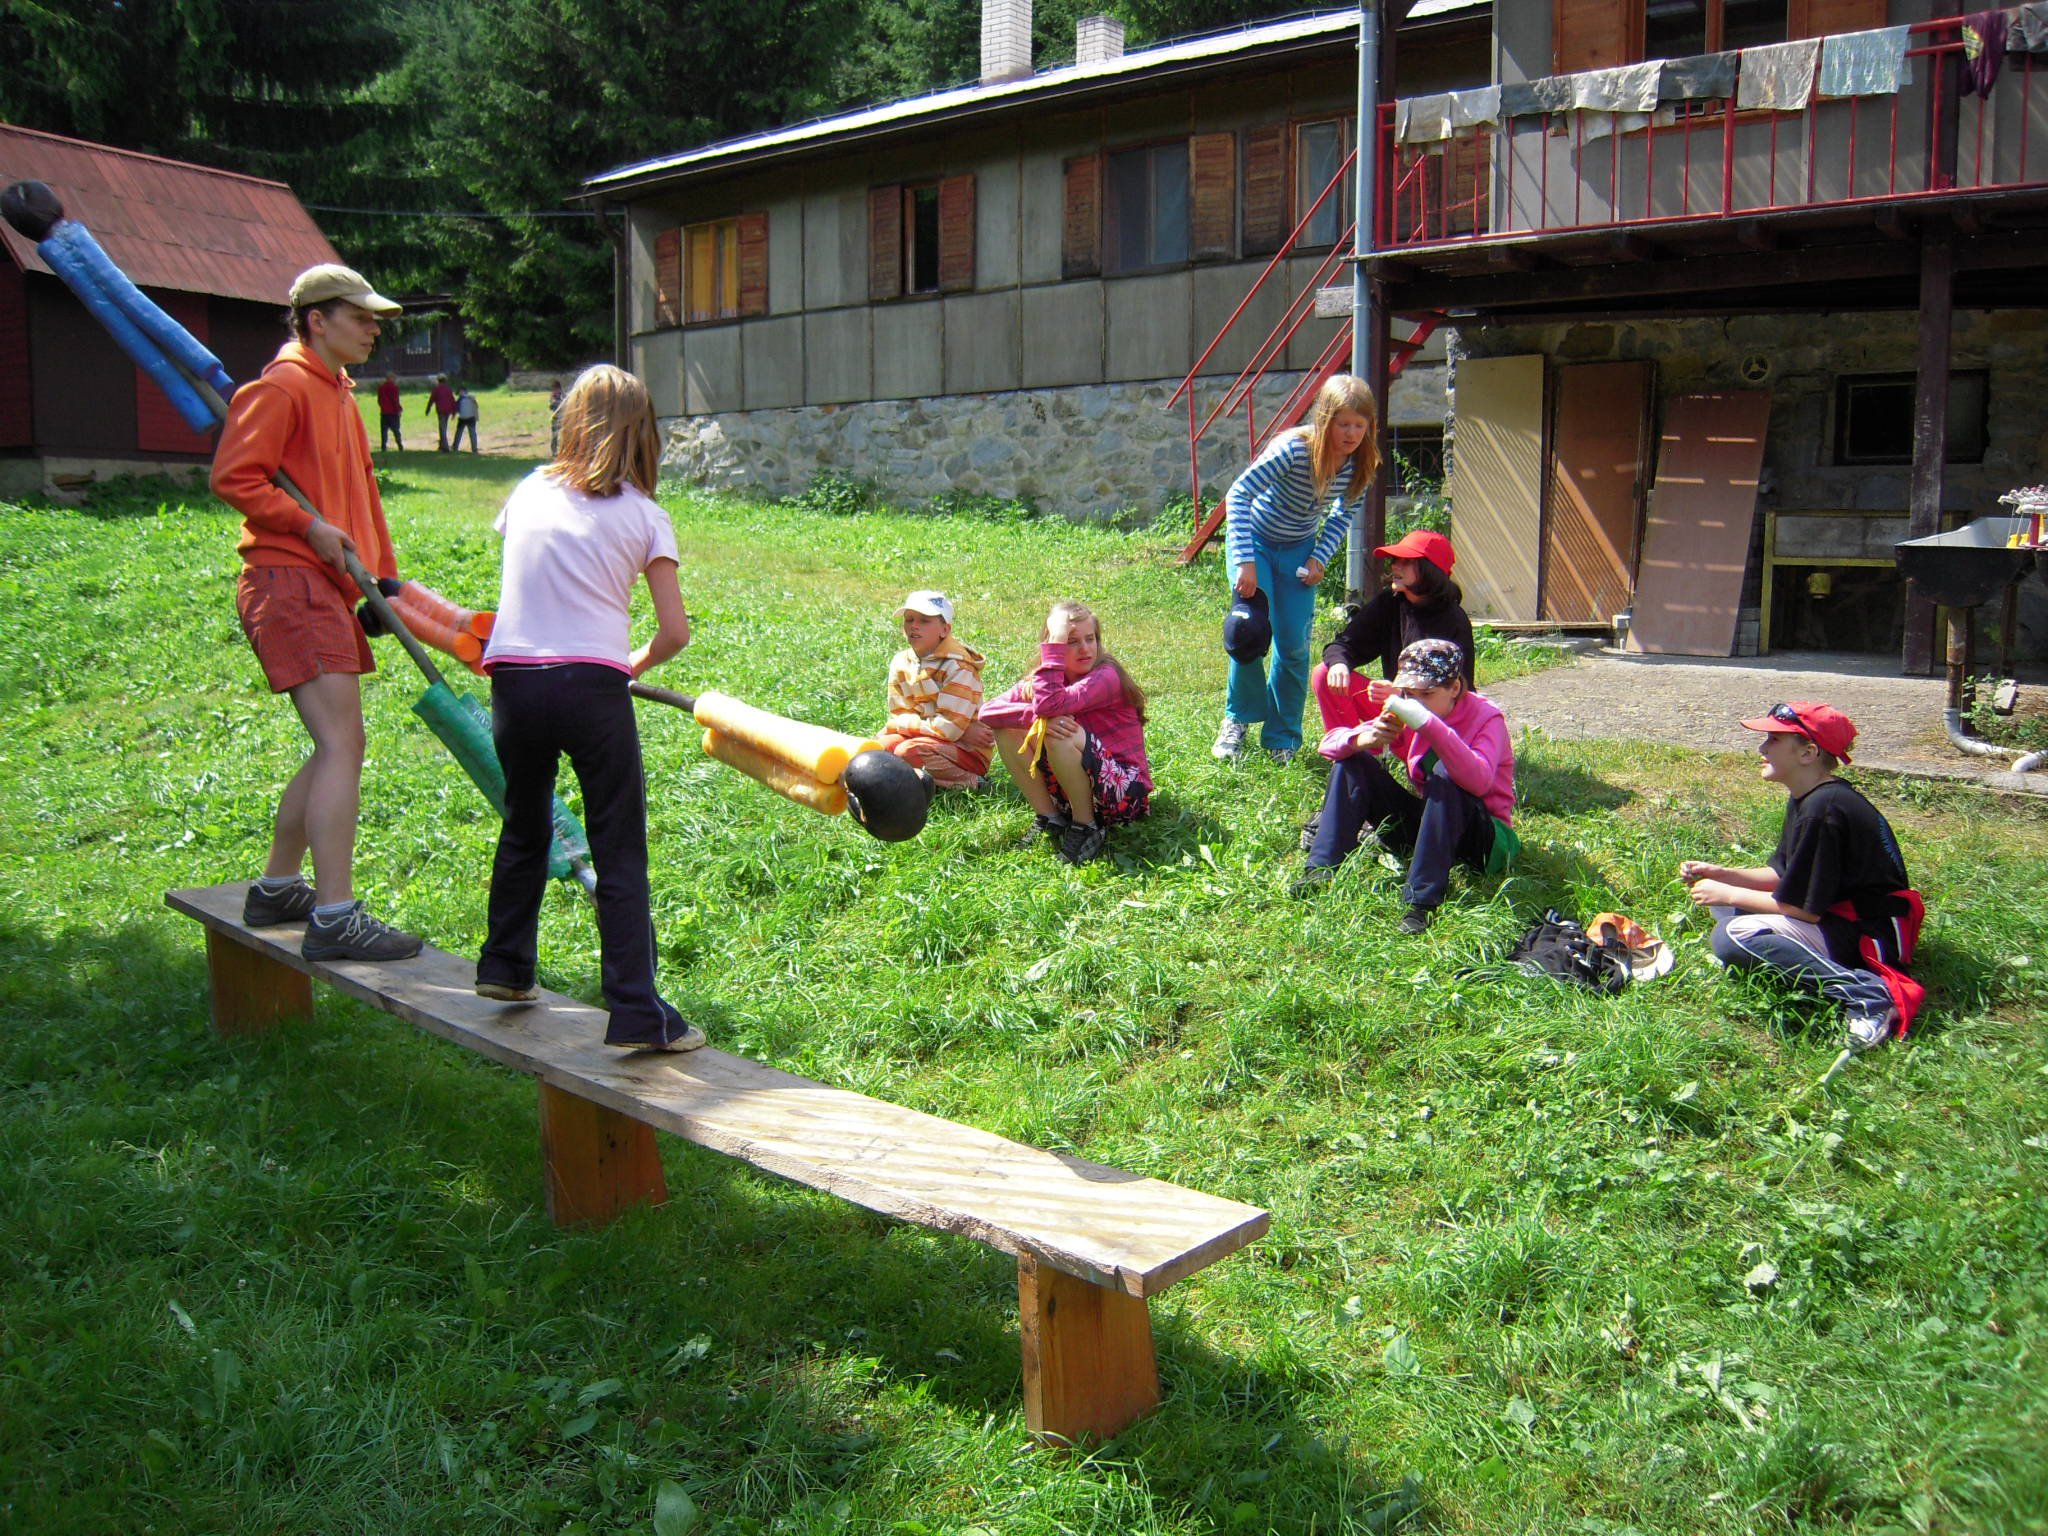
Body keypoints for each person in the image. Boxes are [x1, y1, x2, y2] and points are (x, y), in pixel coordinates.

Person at [474, 365, 703, 1052]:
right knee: (618, 845)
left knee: (524, 822)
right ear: (644, 434)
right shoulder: (644, 514)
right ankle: (635, 1011)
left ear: (570, 421)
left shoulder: (528, 491)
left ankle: (505, 965)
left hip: (514, 681)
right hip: (592, 688)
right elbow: (674, 632)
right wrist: (632, 663)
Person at [210, 262, 422, 962]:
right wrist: (306, 527)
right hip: (288, 579)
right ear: (316, 320)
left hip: (326, 585)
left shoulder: (339, 393)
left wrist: (381, 583)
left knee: (338, 744)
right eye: (360, 317)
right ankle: (333, 916)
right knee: (342, 744)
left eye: (374, 320)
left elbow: (361, 497)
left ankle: (278, 888)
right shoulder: (282, 387)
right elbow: (234, 476)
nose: (372, 329)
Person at [1680, 702, 1924, 1054]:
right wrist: (1723, 874)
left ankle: (1868, 994)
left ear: (1808, 753)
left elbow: (1803, 910)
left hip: (1868, 935)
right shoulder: (1812, 797)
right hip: (1838, 917)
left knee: (1730, 936)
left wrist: (1728, 893)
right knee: (1731, 915)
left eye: (1774, 740)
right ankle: (1775, 959)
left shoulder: (1823, 810)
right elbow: (1783, 874)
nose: (1762, 748)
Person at [1297, 637, 1517, 934]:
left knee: (1446, 773)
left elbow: (1478, 782)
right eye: (1410, 694)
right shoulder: (1409, 710)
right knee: (1353, 762)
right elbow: (1329, 745)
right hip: (1434, 827)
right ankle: (1321, 870)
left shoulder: (1486, 717)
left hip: (1483, 839)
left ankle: (1421, 903)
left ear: (1455, 688)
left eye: (1427, 694)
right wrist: (1363, 739)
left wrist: (1429, 725)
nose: (1416, 702)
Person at [1213, 374, 1379, 764]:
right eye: (1343, 424)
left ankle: (1282, 737)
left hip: (1298, 551)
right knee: (1249, 633)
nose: (1352, 434)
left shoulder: (1362, 463)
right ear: (1325, 420)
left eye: (1360, 425)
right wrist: (1245, 561)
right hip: (1255, 542)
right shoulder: (1293, 451)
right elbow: (1239, 493)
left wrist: (1318, 558)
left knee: (1294, 647)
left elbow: (1342, 515)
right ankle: (1237, 721)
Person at [1300, 527, 1474, 849]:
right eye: (1394, 559)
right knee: (1324, 674)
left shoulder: (1454, 620)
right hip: (1393, 712)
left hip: (1429, 724)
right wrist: (1340, 663)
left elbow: (1460, 697)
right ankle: (1355, 766)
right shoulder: (1390, 603)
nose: (1395, 566)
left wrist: (1405, 698)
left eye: (1405, 561)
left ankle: (1376, 795)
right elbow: (1344, 644)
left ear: (1430, 571)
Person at [983, 600, 1151, 866]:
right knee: (1008, 729)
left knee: (1059, 732)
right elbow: (988, 711)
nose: (1085, 648)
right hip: (1075, 791)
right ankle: (1050, 818)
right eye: (1071, 641)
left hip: (1126, 796)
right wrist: (1035, 719)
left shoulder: (1106, 675)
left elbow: (1050, 705)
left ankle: (1086, 827)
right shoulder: (1044, 679)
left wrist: (1045, 718)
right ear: (1052, 645)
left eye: (1090, 638)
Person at [874, 590, 993, 790]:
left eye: (924, 620)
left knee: (907, 752)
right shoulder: (900, 662)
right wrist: (961, 732)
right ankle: (908, 786)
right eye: (909, 619)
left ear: (945, 630)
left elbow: (948, 728)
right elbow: (900, 713)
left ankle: (973, 782)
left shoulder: (958, 667)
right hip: (932, 738)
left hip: (968, 751)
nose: (914, 626)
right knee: (880, 748)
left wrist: (899, 724)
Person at [423, 373, 457, 451]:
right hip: (448, 410)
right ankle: (442, 444)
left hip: (441, 410)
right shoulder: (448, 389)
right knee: (444, 426)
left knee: (442, 428)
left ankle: (445, 446)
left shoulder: (436, 389)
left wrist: (428, 409)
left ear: (438, 381)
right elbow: (452, 400)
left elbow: (431, 399)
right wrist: (454, 412)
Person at [376, 372, 404, 452]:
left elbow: (379, 400)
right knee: (396, 430)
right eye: (394, 378)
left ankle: (383, 447)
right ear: (391, 378)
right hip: (393, 413)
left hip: (384, 412)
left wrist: (382, 406)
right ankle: (400, 445)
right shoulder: (394, 388)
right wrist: (398, 409)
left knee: (384, 431)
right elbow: (395, 400)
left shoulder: (381, 388)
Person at [453, 385, 480, 453]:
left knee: (459, 433)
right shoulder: (471, 398)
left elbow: (456, 408)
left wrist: (454, 415)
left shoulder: (460, 400)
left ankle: (455, 447)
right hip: (471, 417)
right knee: (472, 433)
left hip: (463, 418)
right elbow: (476, 407)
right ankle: (474, 448)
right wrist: (476, 417)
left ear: (462, 391)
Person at [548, 378, 566, 456]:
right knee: (555, 435)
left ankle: (564, 450)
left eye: (557, 389)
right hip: (555, 419)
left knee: (564, 435)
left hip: (564, 418)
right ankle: (554, 451)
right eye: (554, 389)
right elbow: (551, 405)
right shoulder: (552, 397)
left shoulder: (564, 396)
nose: (556, 391)